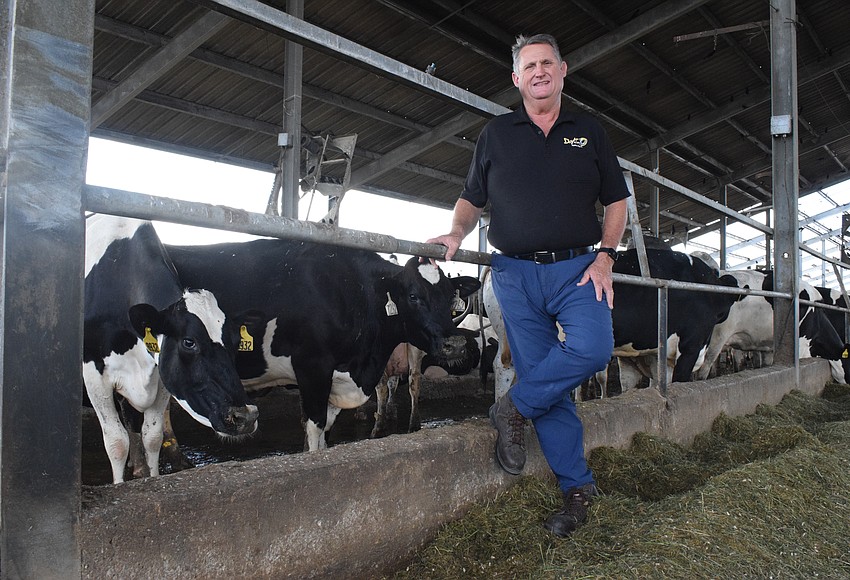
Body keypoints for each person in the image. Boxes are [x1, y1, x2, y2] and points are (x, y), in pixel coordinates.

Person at [427, 33, 629, 537]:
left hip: (577, 268)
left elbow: (618, 202)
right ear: (517, 79)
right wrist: (456, 230)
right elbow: (472, 199)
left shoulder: (590, 130)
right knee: (547, 378)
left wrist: (605, 257)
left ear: (563, 70)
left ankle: (512, 406)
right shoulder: (496, 134)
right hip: (513, 274)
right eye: (528, 66)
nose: (539, 71)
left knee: (593, 348)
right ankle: (576, 489)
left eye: (547, 63)